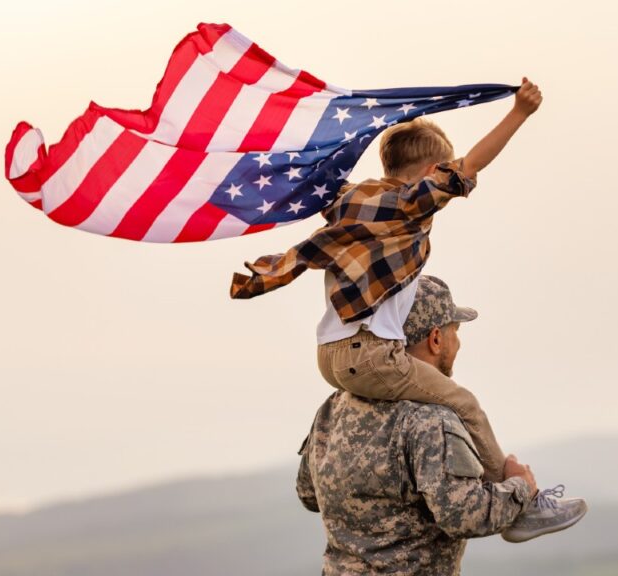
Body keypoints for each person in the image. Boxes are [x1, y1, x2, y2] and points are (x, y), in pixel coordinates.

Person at [235, 79, 577, 536]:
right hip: (371, 353)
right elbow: (470, 167)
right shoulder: (407, 204)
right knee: (466, 405)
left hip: (330, 355)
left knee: (391, 401)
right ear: (433, 169)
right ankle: (525, 504)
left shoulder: (351, 201)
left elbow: (308, 494)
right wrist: (519, 113)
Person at [296, 275, 587, 575]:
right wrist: (520, 488)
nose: (458, 342)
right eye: (455, 331)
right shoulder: (431, 419)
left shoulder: (333, 408)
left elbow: (308, 494)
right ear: (436, 339)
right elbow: (463, 515)